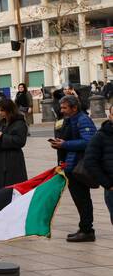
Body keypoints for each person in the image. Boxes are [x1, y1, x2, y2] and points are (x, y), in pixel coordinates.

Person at [50, 95, 97, 242]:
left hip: (79, 167)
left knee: (83, 199)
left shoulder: (83, 120)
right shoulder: (69, 120)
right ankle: (84, 227)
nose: (61, 110)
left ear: (74, 108)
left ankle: (87, 230)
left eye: (64, 107)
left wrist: (65, 145)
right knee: (79, 199)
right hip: (71, 165)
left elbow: (89, 141)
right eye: (61, 107)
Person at [0, 98, 29, 188]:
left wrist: (2, 136)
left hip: (13, 160)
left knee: (13, 187)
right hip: (0, 159)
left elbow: (20, 141)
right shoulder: (2, 122)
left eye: (2, 110)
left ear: (9, 110)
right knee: (0, 188)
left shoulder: (19, 123)